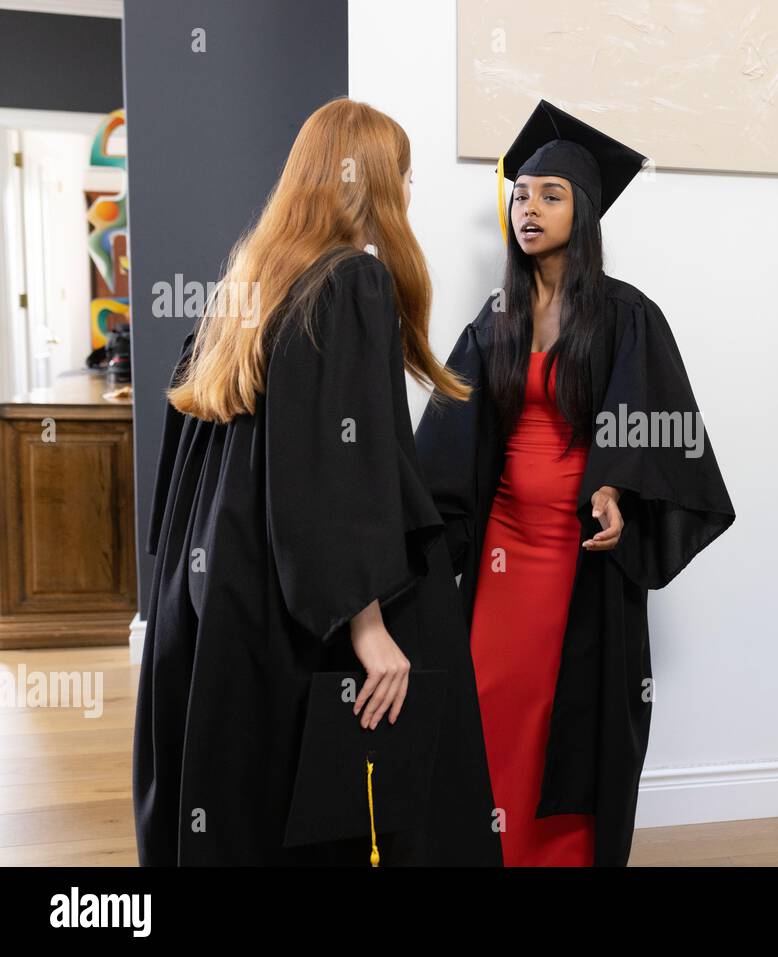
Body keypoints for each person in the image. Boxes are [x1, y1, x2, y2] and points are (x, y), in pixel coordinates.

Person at [133, 97, 502, 865]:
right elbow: (337, 469)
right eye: (403, 176)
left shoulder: (249, 284)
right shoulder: (350, 283)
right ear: (371, 181)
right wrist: (368, 628)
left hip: (230, 592)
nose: (409, 193)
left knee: (254, 804)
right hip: (307, 605)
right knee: (351, 808)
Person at [414, 100, 735, 866]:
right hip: (501, 555)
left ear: (582, 210)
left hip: (580, 558)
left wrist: (615, 487)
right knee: (491, 705)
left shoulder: (627, 318)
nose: (530, 208)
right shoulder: (495, 322)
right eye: (522, 194)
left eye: (550, 195)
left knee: (570, 714)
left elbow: (660, 427)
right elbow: (449, 443)